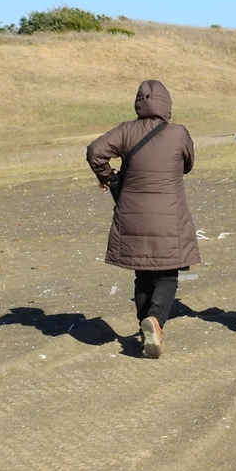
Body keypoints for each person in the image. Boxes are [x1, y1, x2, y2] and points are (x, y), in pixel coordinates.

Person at [86, 80, 199, 358]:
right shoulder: (178, 133)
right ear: (167, 104)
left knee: (142, 273)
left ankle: (144, 325)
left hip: (132, 213)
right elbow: (187, 164)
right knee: (168, 274)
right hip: (169, 214)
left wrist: (108, 177)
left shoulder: (126, 130)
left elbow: (95, 152)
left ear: (139, 103)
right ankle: (155, 320)